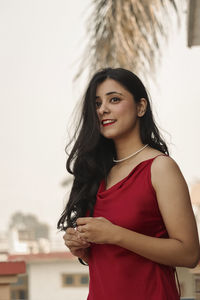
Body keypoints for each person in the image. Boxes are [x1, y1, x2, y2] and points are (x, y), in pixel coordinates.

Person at [58, 67, 200, 300]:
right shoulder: (96, 174)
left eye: (114, 99)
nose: (103, 109)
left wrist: (113, 234)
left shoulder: (160, 168)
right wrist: (83, 247)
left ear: (141, 107)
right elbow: (112, 257)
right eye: (97, 103)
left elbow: (189, 254)